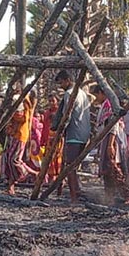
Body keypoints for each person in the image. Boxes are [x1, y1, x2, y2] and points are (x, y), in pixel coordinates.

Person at [89, 85, 129, 204]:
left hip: (112, 139)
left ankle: (127, 193)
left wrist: (110, 145)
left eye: (96, 95)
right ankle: (109, 196)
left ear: (101, 93)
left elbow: (113, 125)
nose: (95, 98)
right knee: (107, 169)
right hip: (106, 139)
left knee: (113, 167)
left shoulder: (110, 105)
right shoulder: (104, 106)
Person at [51, 70, 92, 203]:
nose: (61, 86)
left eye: (61, 82)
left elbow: (66, 115)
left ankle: (74, 196)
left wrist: (60, 130)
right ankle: (76, 191)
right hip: (84, 133)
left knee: (70, 166)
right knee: (73, 165)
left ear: (68, 80)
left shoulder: (70, 94)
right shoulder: (83, 94)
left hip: (74, 133)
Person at [1, 89, 36, 195]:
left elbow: (22, 118)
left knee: (14, 160)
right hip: (14, 135)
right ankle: (11, 187)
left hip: (20, 135)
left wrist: (12, 115)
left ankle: (31, 173)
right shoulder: (18, 101)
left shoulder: (25, 102)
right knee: (9, 159)